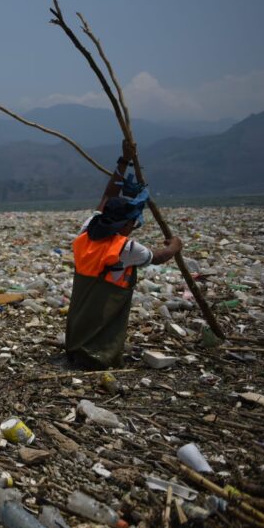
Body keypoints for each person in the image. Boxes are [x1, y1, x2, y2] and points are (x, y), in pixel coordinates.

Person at [66, 141, 183, 369]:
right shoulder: (124, 248)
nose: (134, 226)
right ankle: (97, 356)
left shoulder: (87, 230)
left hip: (81, 305)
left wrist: (124, 160)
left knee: (83, 321)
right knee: (102, 328)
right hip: (103, 304)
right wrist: (175, 246)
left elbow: (107, 196)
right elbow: (158, 257)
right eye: (132, 223)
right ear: (124, 224)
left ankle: (77, 350)